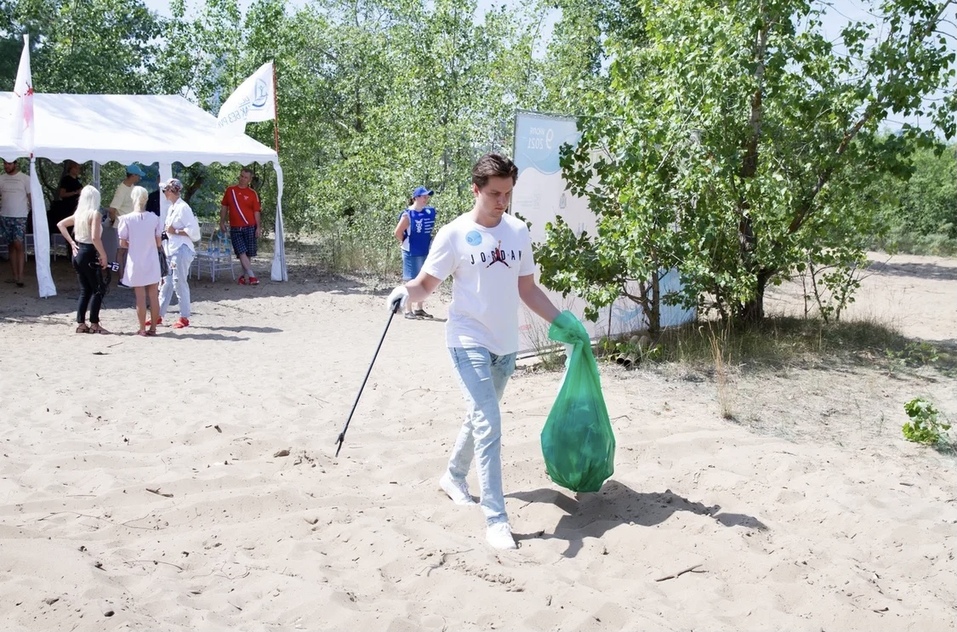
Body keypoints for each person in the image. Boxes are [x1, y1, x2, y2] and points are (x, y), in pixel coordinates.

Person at [386, 153, 589, 550]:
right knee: (490, 422)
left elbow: (527, 289)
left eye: (508, 194)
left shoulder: (517, 231)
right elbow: (426, 285)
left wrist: (562, 323)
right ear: (475, 189)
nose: (502, 202)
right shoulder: (454, 233)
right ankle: (496, 518)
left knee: (481, 416)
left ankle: (453, 476)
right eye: (494, 194)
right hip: (467, 340)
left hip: (505, 345)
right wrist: (404, 291)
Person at [56, 185, 111, 334]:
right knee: (98, 289)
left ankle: (81, 322)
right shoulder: (94, 214)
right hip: (89, 252)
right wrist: (103, 255)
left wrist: (72, 242)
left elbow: (61, 224)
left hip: (79, 252)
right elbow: (94, 237)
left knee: (85, 290)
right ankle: (94, 323)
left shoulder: (79, 214)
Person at [118, 186, 163, 336]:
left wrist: (133, 242)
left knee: (140, 297)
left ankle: (142, 328)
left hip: (136, 260)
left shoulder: (126, 219)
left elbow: (122, 243)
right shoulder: (154, 218)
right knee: (154, 296)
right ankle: (153, 328)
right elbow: (158, 243)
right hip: (151, 259)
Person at [156, 178, 199, 329]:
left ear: (172, 190)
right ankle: (158, 315)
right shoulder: (173, 207)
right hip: (172, 249)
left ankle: (184, 316)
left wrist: (176, 231)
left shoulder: (183, 208)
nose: (164, 193)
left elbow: (194, 232)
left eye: (165, 190)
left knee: (179, 282)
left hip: (181, 249)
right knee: (166, 283)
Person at [393, 185, 437, 319]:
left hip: (424, 250)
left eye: (427, 196)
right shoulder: (408, 214)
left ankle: (419, 308)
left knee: (422, 279)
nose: (426, 198)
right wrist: (405, 242)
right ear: (415, 198)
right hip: (411, 251)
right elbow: (397, 232)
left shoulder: (429, 212)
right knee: (411, 280)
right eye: (424, 196)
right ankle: (408, 310)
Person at [220, 167, 261, 285]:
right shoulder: (230, 190)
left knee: (248, 254)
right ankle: (252, 276)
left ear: (250, 179)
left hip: (250, 226)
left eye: (246, 177)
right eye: (241, 176)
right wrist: (222, 221)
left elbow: (256, 212)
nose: (242, 179)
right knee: (241, 251)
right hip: (235, 227)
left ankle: (244, 277)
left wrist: (258, 227)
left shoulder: (253, 194)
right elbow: (224, 207)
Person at [108, 163, 146, 285]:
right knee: (122, 251)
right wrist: (114, 221)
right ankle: (121, 278)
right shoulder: (122, 190)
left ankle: (129, 276)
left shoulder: (132, 187)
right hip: (122, 225)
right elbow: (112, 209)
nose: (139, 178)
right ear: (133, 175)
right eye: (138, 176)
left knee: (130, 251)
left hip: (132, 224)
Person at [0, 158, 32, 287]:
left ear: (15, 164)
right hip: (5, 215)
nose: (6, 166)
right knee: (11, 245)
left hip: (20, 216)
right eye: (5, 164)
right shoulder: (1, 178)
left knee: (19, 244)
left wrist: (33, 211)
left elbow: (30, 196)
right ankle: (15, 276)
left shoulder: (25, 178)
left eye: (9, 164)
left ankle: (21, 276)